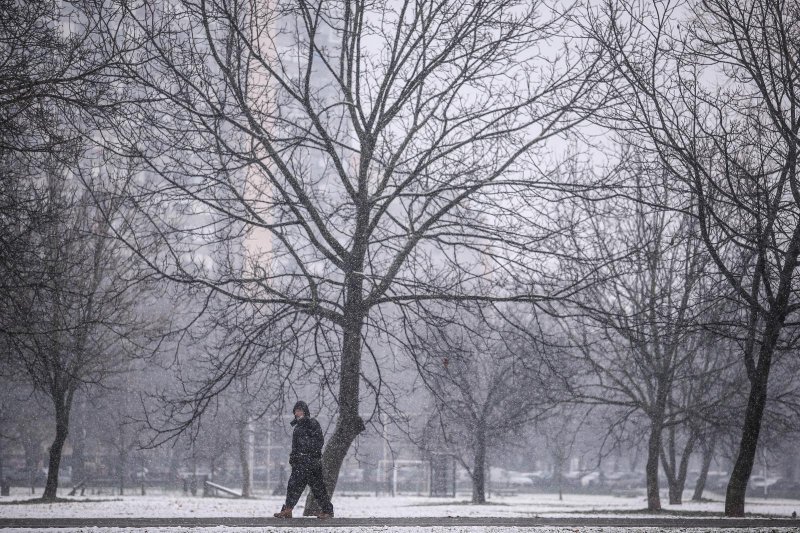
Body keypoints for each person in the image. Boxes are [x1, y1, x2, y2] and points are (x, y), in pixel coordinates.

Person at [273, 401, 334, 519]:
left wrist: (307, 454)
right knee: (295, 486)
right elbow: (295, 446)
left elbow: (319, 442)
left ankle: (327, 511)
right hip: (300, 463)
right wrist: (293, 458)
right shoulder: (297, 427)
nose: (297, 413)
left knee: (317, 488)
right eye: (296, 411)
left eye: (300, 410)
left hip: (311, 462)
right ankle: (288, 509)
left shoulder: (313, 423)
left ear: (305, 411)